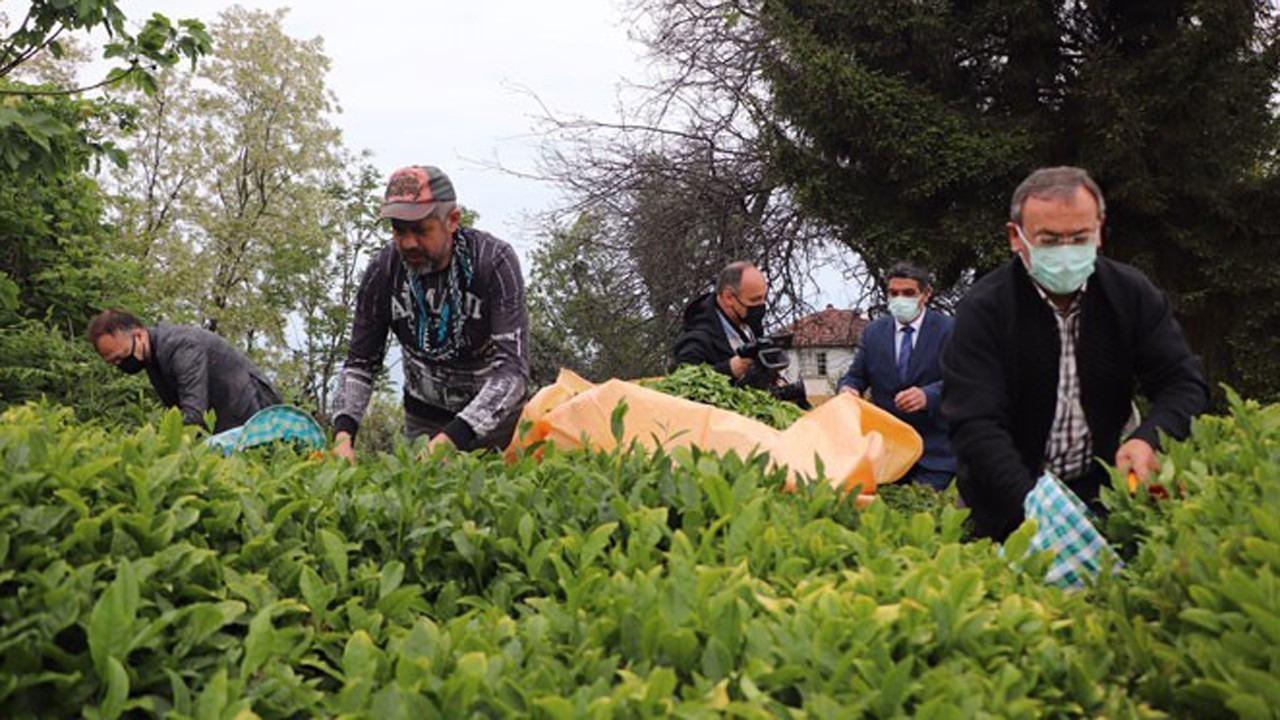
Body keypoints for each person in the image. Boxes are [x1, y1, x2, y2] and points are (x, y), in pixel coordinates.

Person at [941, 166, 1208, 540]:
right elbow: (975, 424)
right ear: (1016, 237)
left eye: (1080, 238)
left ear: (1099, 230)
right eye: (1049, 240)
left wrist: (1148, 438)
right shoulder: (984, 309)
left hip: (1099, 495)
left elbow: (1183, 383)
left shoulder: (1130, 294)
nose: (1066, 252)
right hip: (1001, 500)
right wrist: (1033, 507)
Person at [331, 165, 529, 459]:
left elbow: (513, 370)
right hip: (424, 418)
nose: (408, 242)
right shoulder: (384, 269)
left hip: (495, 423)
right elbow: (360, 363)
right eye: (399, 230)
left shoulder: (494, 262)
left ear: (452, 220)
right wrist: (343, 436)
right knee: (421, 484)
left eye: (421, 230)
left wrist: (452, 438)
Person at [837, 262, 955, 490]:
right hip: (886, 453)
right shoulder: (873, 333)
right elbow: (855, 376)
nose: (900, 299)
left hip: (933, 454)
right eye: (894, 293)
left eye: (908, 293)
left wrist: (928, 396)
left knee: (923, 511)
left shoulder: (948, 329)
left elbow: (964, 380)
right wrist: (848, 389)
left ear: (926, 294)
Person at [88, 309, 281, 433]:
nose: (121, 364)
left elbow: (193, 414)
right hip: (229, 420)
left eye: (121, 356)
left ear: (139, 335)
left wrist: (152, 441)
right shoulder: (151, 357)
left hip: (256, 414)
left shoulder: (181, 346)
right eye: (113, 362)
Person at [672, 261, 769, 382]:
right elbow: (682, 382)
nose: (761, 305)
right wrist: (728, 370)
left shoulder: (751, 326)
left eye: (764, 297)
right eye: (754, 300)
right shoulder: (697, 342)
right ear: (728, 297)